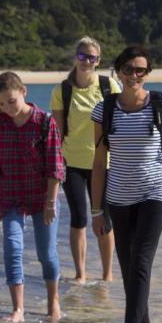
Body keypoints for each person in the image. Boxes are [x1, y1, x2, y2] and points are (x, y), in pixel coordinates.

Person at [90, 46, 162, 323]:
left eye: (140, 70)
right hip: (118, 196)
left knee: (141, 259)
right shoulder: (104, 109)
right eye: (129, 69)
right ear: (118, 71)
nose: (134, 75)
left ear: (146, 74)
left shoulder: (161, 104)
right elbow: (98, 160)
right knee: (127, 262)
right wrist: (96, 210)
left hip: (156, 193)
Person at [0, 71, 65, 323]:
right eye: (0, 103)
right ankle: (18, 309)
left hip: (43, 198)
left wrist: (51, 203)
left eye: (11, 101)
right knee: (12, 248)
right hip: (10, 197)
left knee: (46, 253)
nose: (6, 108)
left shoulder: (45, 122)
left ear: (24, 92)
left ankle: (53, 302)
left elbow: (55, 166)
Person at [49, 37, 121, 284]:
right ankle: (80, 274)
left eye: (91, 57)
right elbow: (57, 133)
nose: (86, 61)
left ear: (98, 61)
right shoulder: (62, 90)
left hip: (105, 163)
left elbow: (121, 120)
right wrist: (54, 167)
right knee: (79, 217)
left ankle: (107, 274)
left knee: (104, 218)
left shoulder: (108, 86)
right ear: (75, 58)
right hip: (73, 163)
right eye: (82, 56)